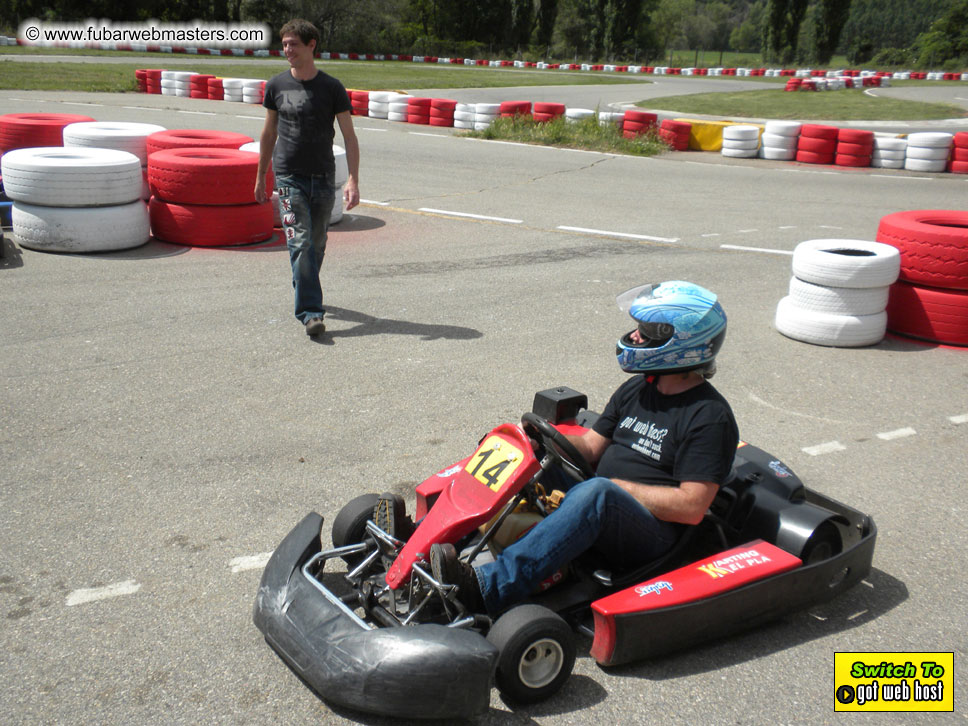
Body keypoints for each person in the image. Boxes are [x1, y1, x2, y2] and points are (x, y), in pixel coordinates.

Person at [424, 280, 740, 615]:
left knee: (598, 494)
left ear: (680, 342)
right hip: (603, 501)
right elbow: (590, 446)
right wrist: (535, 444)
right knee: (517, 455)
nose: (634, 337)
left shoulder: (709, 417)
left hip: (651, 534)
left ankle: (487, 588)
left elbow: (691, 506)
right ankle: (429, 542)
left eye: (646, 331)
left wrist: (620, 490)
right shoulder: (639, 388)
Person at [255, 19, 360, 337]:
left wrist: (353, 179)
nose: (287, 49)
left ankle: (303, 285)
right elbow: (268, 133)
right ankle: (311, 312)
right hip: (289, 176)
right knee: (300, 242)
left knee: (316, 244)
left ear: (311, 44)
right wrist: (262, 175)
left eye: (293, 44)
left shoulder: (332, 87)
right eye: (284, 44)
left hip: (324, 177)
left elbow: (350, 137)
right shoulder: (276, 86)